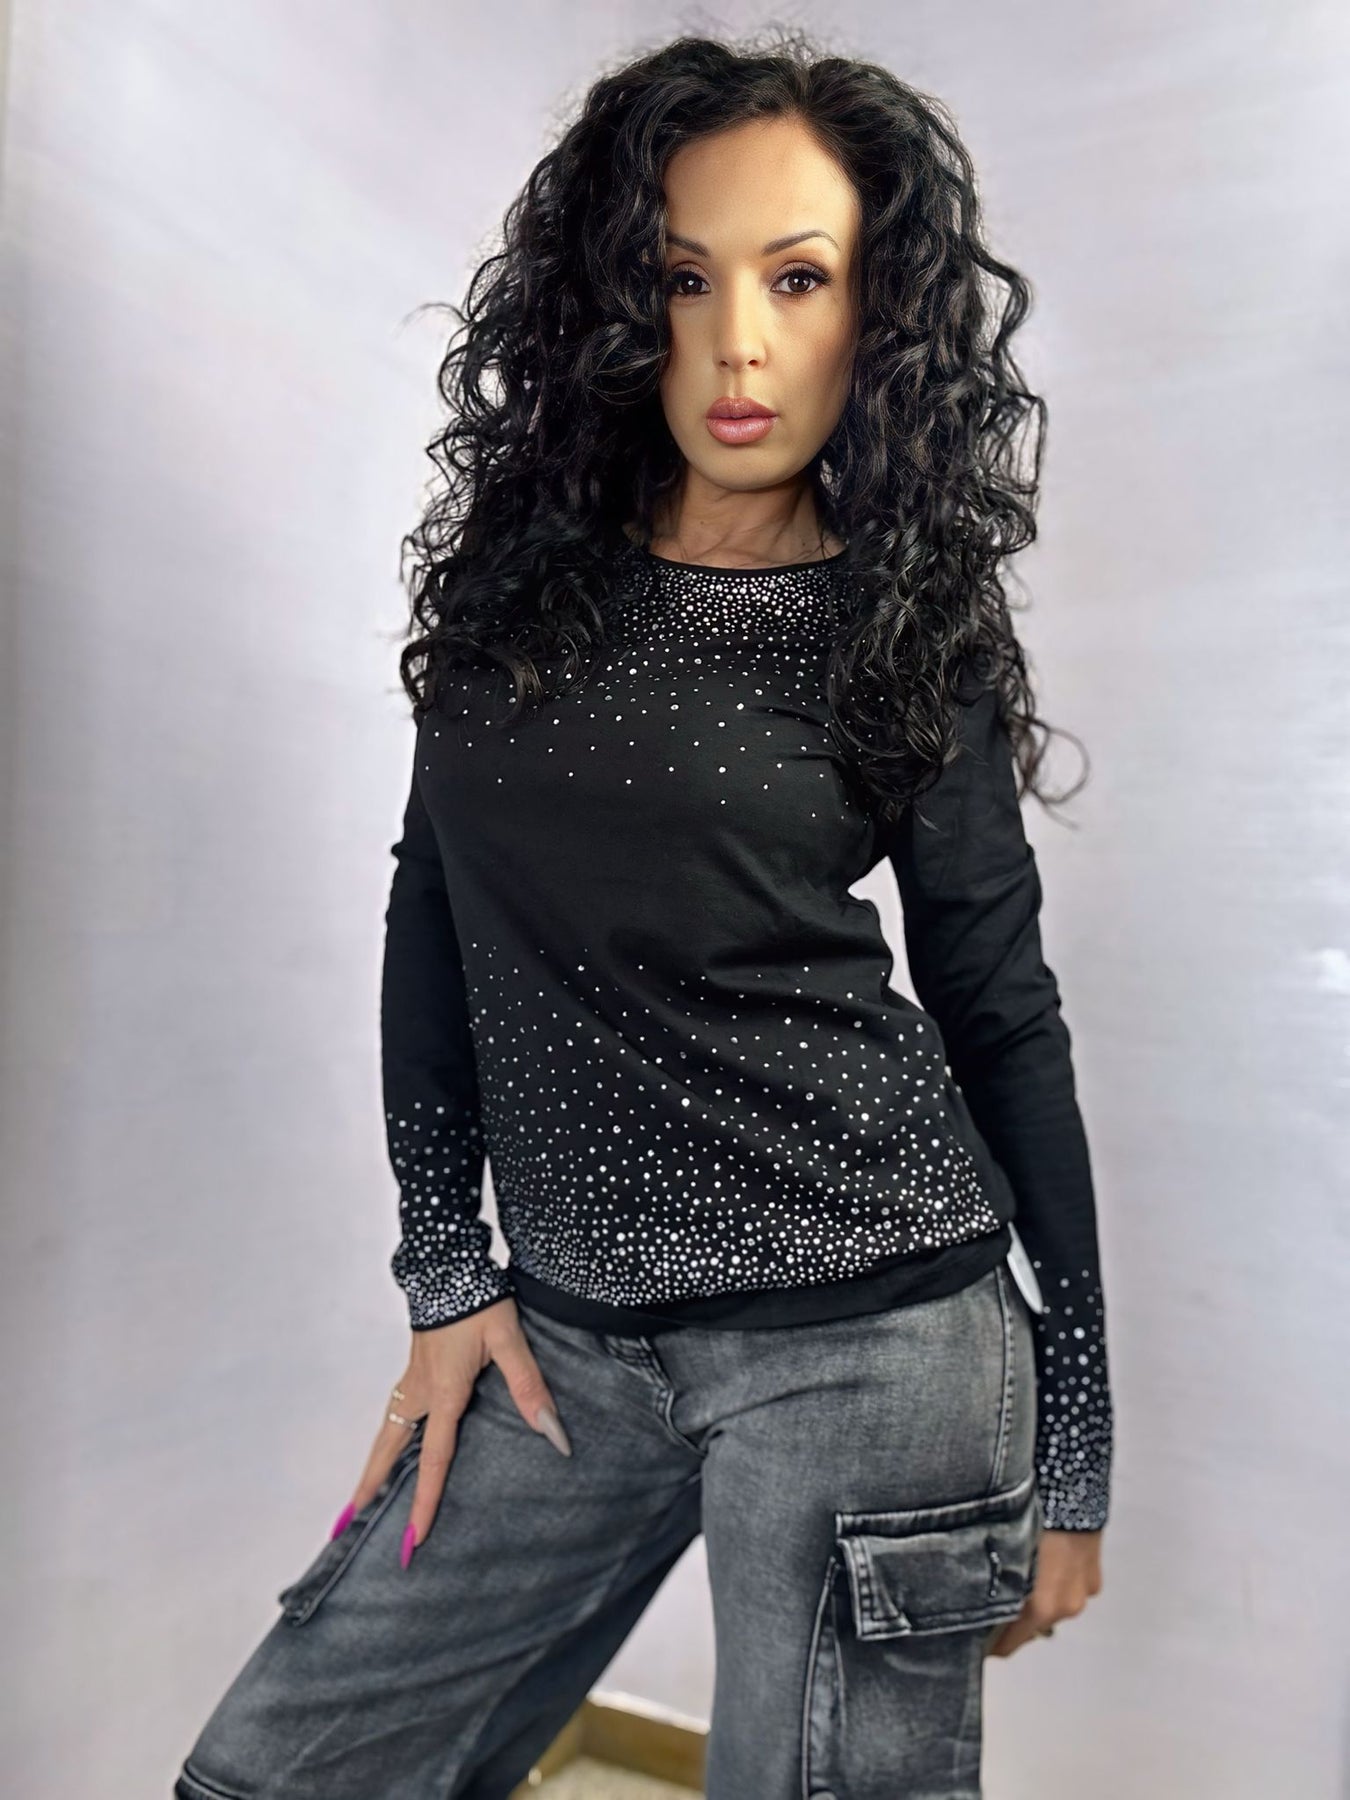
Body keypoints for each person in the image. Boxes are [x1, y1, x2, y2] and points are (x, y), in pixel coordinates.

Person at [174, 28, 1112, 1800]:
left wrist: (1073, 1448)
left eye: (797, 277)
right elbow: (433, 920)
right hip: (565, 1347)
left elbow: (1001, 1013)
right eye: (685, 278)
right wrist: (444, 1273)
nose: (738, 340)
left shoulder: (903, 630)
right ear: (615, 303)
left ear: (877, 313)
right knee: (276, 1772)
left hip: (878, 1348)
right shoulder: (514, 593)